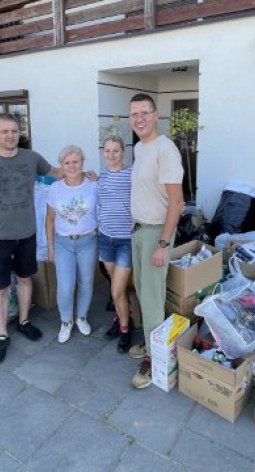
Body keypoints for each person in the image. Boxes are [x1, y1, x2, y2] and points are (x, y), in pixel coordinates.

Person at [0, 113, 91, 364]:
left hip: (26, 234)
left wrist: (82, 172)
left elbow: (58, 172)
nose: (10, 135)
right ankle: (2, 335)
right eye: (4, 131)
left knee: (25, 280)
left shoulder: (31, 158)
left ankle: (24, 321)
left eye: (14, 131)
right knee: (0, 288)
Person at [127, 93, 185, 389]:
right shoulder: (139, 148)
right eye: (134, 114)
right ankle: (151, 342)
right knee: (142, 291)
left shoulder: (166, 149)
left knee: (151, 298)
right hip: (138, 229)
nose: (139, 119)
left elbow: (177, 201)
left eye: (144, 113)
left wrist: (163, 244)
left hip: (155, 233)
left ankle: (153, 358)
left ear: (156, 115)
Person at [45, 145, 99, 343]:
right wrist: (50, 246)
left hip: (88, 241)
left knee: (86, 282)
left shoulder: (93, 185)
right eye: (67, 163)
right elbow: (49, 219)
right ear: (61, 165)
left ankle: (81, 317)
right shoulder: (55, 188)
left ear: (82, 163)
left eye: (75, 162)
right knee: (66, 287)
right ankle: (66, 321)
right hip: (63, 244)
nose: (72, 166)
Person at [96, 135, 134, 353]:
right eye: (107, 151)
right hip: (105, 238)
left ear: (123, 152)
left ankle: (125, 329)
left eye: (115, 151)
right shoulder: (100, 177)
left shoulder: (132, 175)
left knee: (117, 290)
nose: (111, 155)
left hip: (125, 241)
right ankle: (120, 318)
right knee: (115, 287)